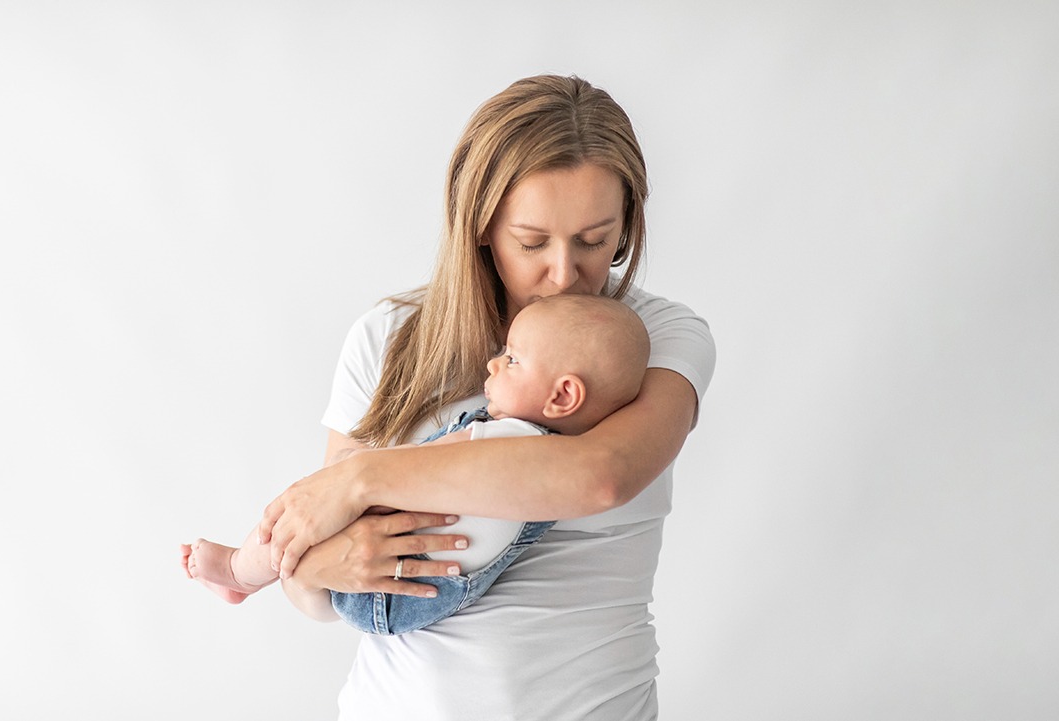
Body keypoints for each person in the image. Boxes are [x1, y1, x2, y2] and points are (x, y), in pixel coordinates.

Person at [256, 74, 713, 720]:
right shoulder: (389, 339)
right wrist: (314, 568)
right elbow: (314, 586)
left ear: (627, 224)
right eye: (532, 242)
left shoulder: (656, 337)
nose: (564, 273)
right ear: (480, 226)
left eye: (594, 240)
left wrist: (362, 479)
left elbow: (600, 475)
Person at [181, 293, 650, 635]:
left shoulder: (511, 440)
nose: (493, 364)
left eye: (511, 360)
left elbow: (422, 464)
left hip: (394, 588)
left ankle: (239, 570)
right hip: (407, 600)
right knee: (315, 512)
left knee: (310, 502)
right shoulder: (558, 458)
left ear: (563, 395)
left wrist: (355, 471)